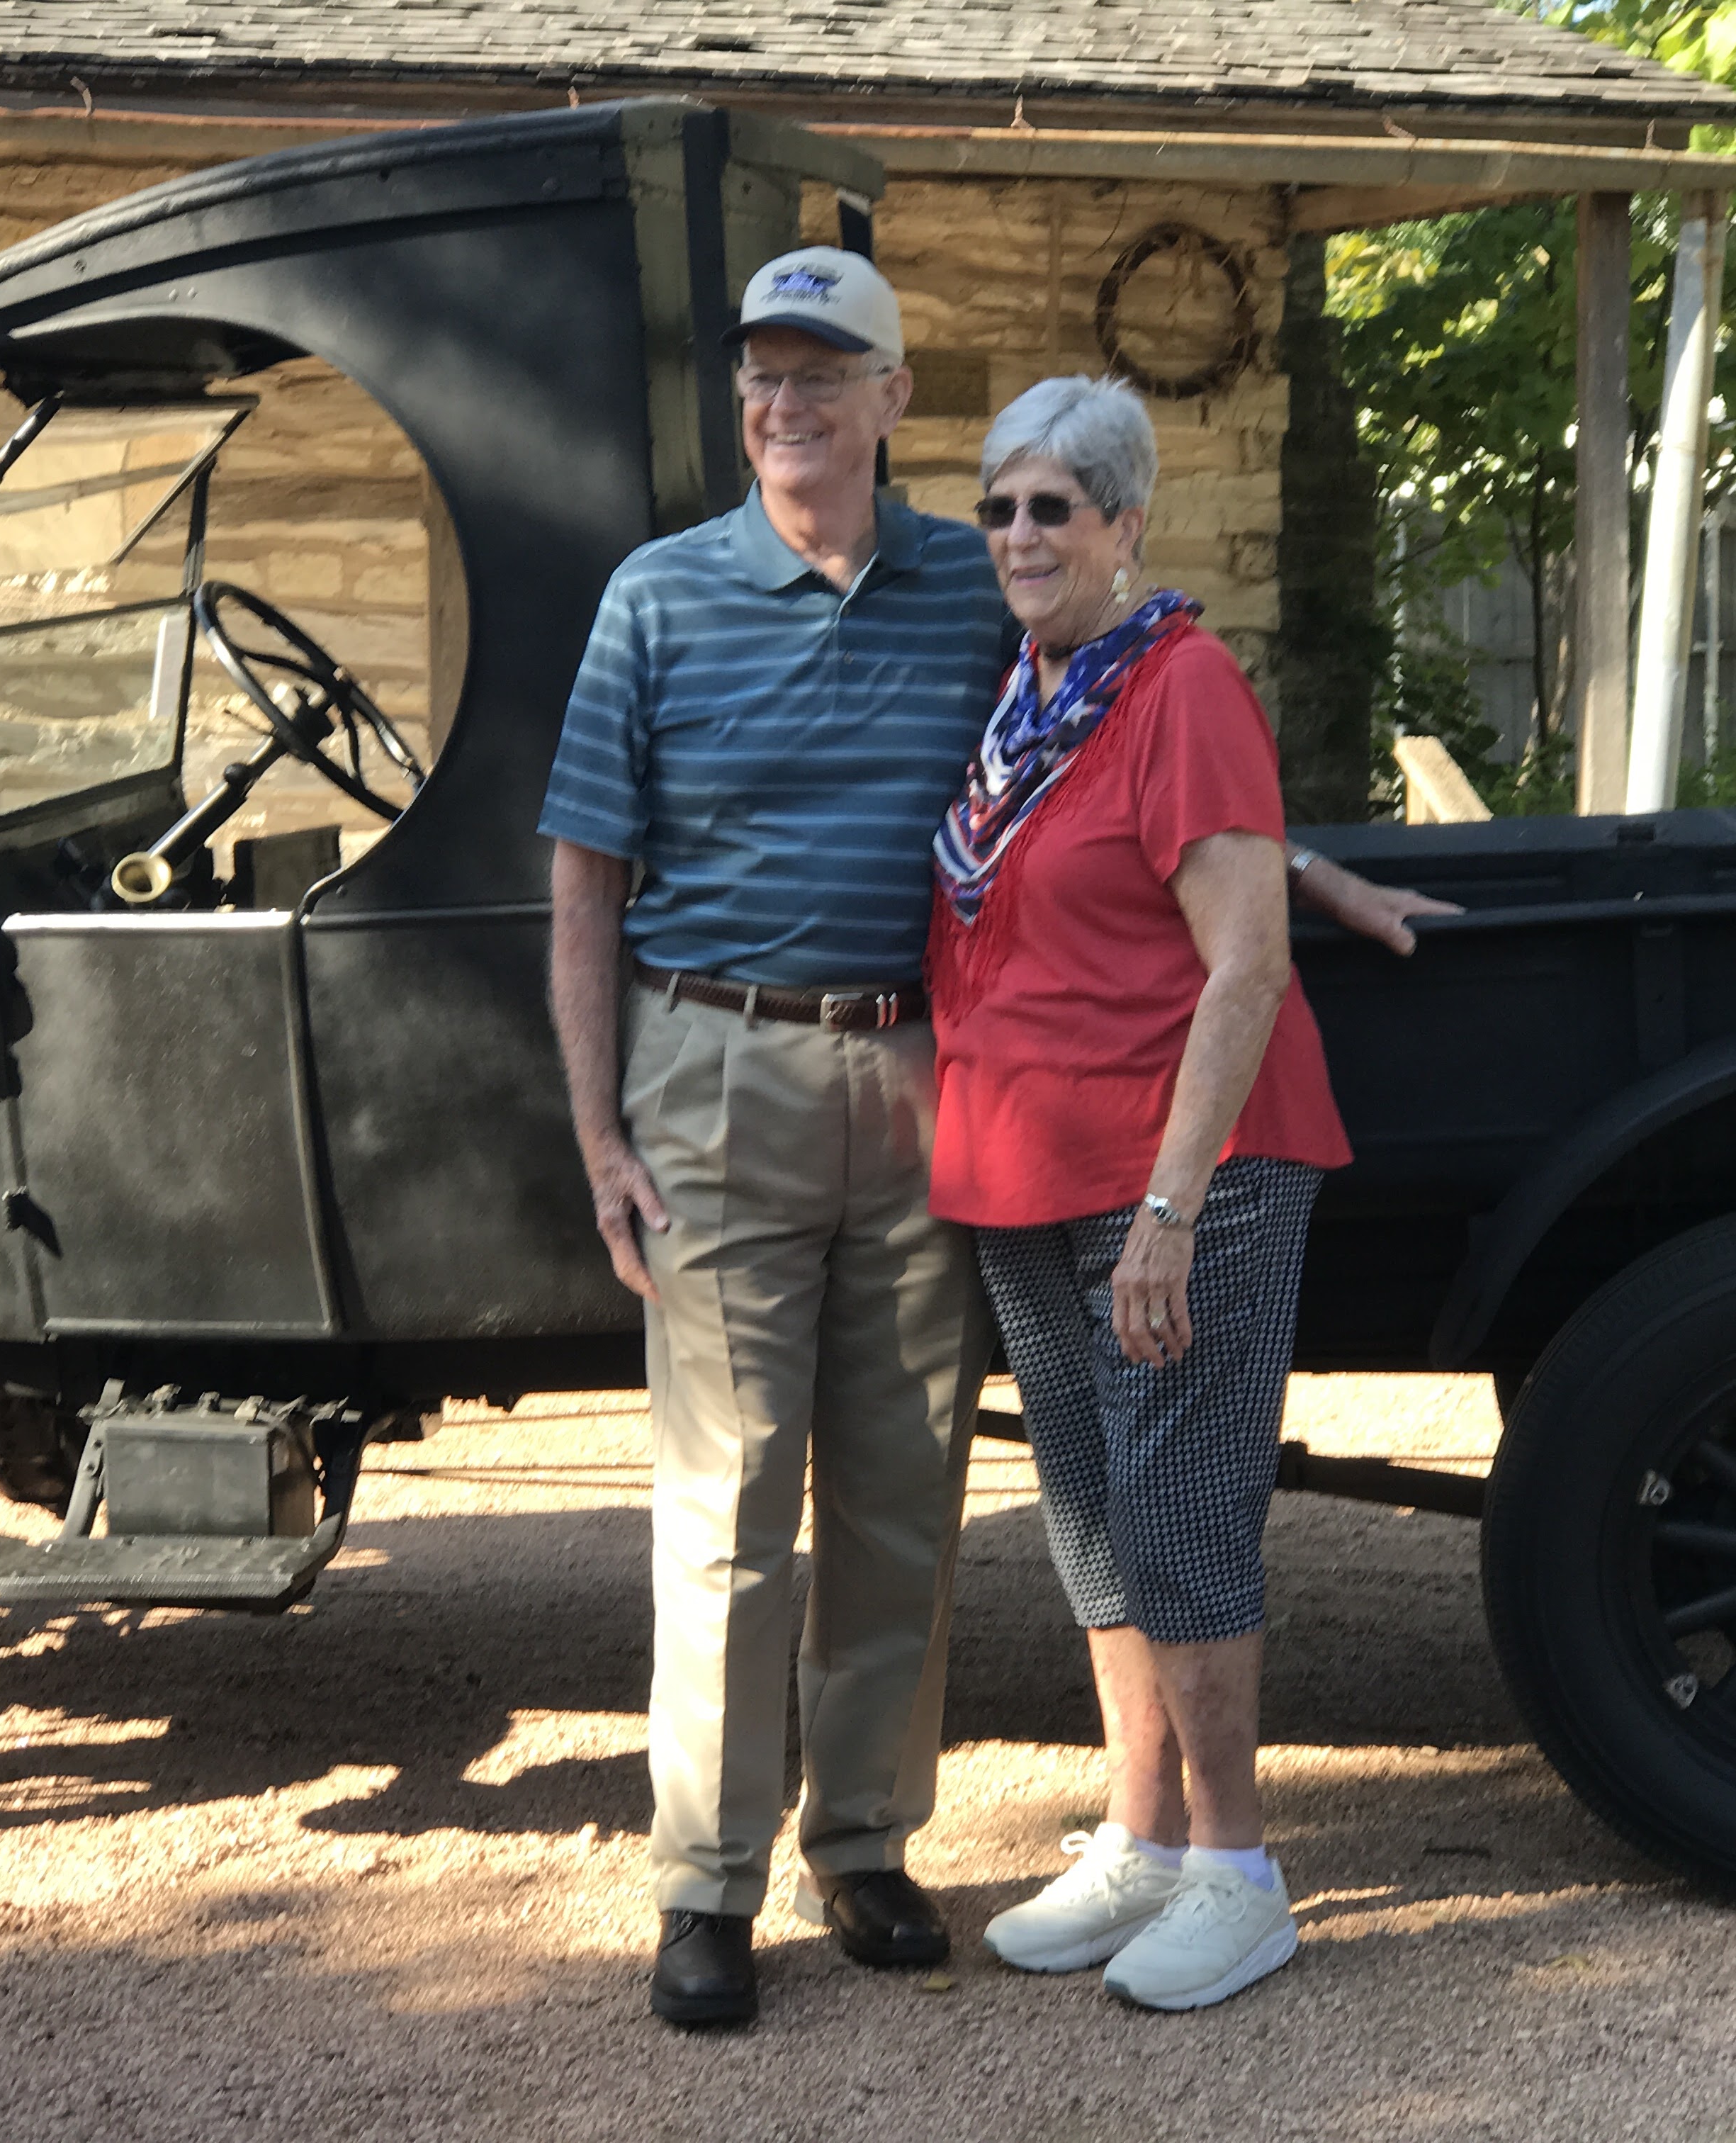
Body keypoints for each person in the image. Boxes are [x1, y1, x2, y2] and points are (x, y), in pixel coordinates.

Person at [925, 376, 1458, 2013]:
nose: (1021, 535)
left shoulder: (1181, 680)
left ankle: (1238, 1871)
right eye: (1001, 508)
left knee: (1180, 1512)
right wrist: (1310, 854)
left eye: (1054, 508)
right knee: (1093, 1516)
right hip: (1025, 1163)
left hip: (1177, 1169)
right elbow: (1161, 845)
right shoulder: (1035, 699)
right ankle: (1144, 1838)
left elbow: (1245, 968)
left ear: (1125, 525)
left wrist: (1169, 1211)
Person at [539, 247, 1013, 2030]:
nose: (785, 403)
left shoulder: (978, 587)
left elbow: (1131, 737)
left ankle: (866, 1840)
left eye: (823, 372)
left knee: (904, 1487)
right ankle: (709, 1881)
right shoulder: (657, 597)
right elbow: (585, 883)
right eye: (763, 374)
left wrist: (1289, 871)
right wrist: (599, 1133)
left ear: (896, 399)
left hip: (919, 1072)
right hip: (715, 1068)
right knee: (728, 1499)